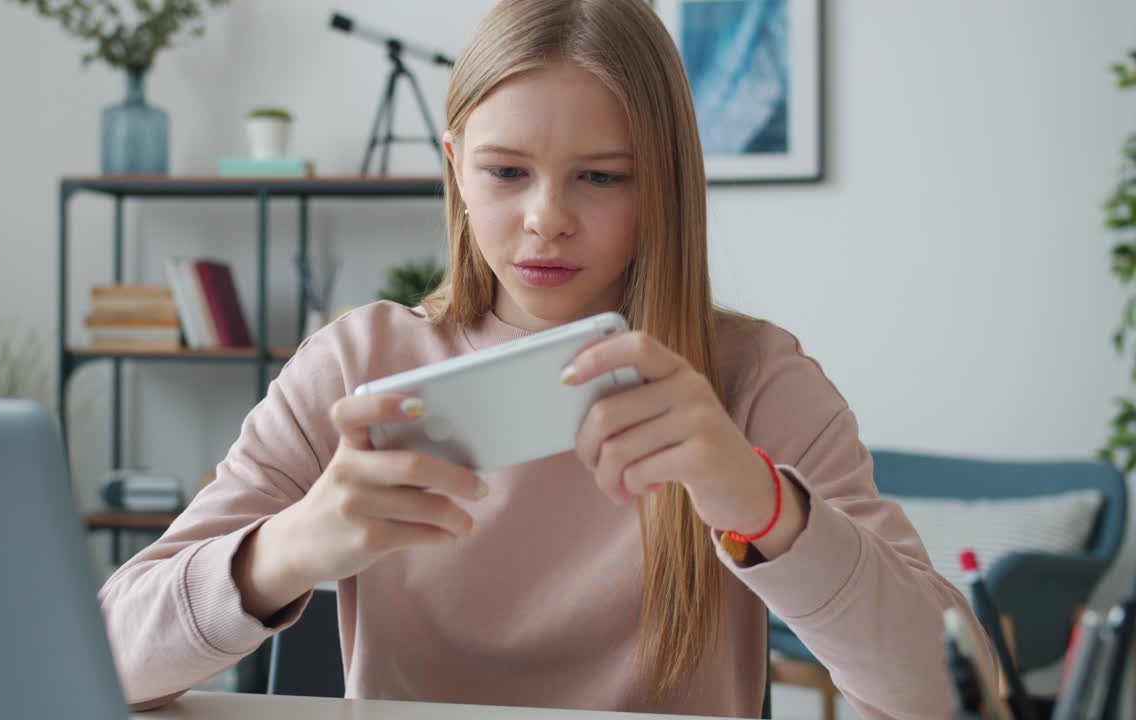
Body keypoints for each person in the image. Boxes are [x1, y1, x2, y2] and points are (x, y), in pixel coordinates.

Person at [99, 0, 995, 717]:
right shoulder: (355, 362)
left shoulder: (753, 378)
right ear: (454, 168)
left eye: (602, 176)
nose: (546, 218)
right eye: (504, 172)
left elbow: (957, 696)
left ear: (665, 184)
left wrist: (760, 501)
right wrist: (285, 549)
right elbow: (106, 659)